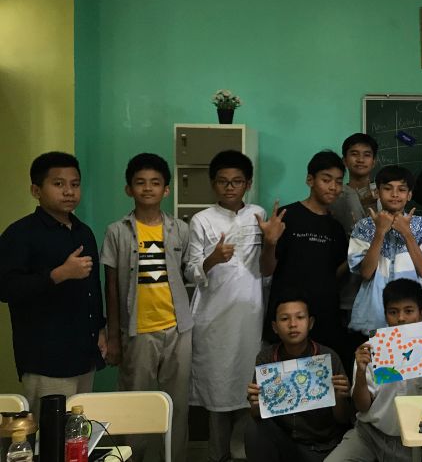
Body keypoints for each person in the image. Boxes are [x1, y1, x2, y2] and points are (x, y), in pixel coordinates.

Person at [186, 150, 283, 462]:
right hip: (214, 320)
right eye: (223, 181)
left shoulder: (258, 214)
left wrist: (271, 241)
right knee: (217, 393)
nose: (230, 187)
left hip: (250, 316)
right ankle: (217, 455)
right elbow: (190, 271)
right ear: (213, 184)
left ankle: (243, 454)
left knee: (248, 390)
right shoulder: (201, 219)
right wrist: (213, 258)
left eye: (237, 181)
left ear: (248, 184)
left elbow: (266, 270)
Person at [101, 153, 192, 461]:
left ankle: (173, 457)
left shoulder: (180, 229)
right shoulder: (117, 231)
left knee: (177, 404)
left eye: (155, 183)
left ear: (166, 189)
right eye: (140, 182)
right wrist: (113, 336)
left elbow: (188, 273)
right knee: (135, 403)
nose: (148, 188)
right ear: (129, 189)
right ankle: (132, 457)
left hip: (178, 329)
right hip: (137, 330)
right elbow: (111, 286)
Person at [0, 152, 106, 418]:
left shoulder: (84, 232)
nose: (69, 191)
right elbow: (6, 288)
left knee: (78, 432)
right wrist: (58, 274)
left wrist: (100, 329)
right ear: (36, 190)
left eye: (75, 184)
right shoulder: (20, 234)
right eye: (58, 184)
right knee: (49, 435)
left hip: (85, 355)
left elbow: (93, 288)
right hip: (46, 359)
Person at [325, 279, 422, 462]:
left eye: (408, 311)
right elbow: (362, 406)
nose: (401, 318)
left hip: (417, 438)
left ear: (421, 314)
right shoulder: (371, 348)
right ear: (385, 315)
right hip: (370, 434)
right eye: (393, 312)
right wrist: (360, 372)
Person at [245, 297, 352, 462]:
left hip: (321, 446)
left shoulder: (328, 357)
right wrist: (256, 403)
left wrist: (339, 397)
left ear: (310, 323)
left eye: (300, 317)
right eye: (284, 319)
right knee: (253, 428)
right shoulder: (266, 358)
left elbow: (343, 419)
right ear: (275, 327)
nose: (293, 324)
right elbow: (257, 414)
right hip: (284, 442)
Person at [268, 151, 350, 365]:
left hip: (325, 318)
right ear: (310, 180)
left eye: (338, 182)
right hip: (290, 318)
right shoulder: (286, 216)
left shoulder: (336, 227)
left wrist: (357, 258)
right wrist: (270, 242)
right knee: (284, 379)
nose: (333, 187)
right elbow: (266, 269)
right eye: (326, 180)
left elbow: (335, 273)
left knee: (322, 381)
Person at [348, 165, 422, 335]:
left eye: (401, 190)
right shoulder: (363, 226)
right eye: (388, 188)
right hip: (374, 311)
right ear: (377, 192)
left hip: (411, 311)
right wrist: (379, 232)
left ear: (409, 195)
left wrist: (407, 233)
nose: (395, 194)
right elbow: (365, 273)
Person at [330, 134, 378, 356]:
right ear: (345, 160)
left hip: (378, 292)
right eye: (354, 154)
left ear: (374, 161)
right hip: (345, 290)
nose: (360, 159)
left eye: (366, 155)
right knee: (348, 356)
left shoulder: (385, 193)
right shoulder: (334, 194)